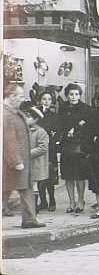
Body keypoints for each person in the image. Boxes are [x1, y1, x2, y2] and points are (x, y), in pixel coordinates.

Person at [2, 84, 46, 228]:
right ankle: (29, 219)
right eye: (20, 96)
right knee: (6, 190)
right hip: (13, 161)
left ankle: (29, 220)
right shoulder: (6, 114)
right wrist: (15, 161)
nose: (23, 99)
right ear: (12, 97)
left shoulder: (14, 111)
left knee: (25, 189)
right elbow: (8, 140)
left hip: (21, 160)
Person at [57, 83, 92, 214]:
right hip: (66, 145)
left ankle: (81, 200)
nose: (73, 97)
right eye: (71, 94)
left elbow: (88, 126)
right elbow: (59, 124)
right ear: (67, 95)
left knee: (79, 175)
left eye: (76, 94)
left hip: (80, 145)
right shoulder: (62, 108)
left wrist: (77, 129)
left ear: (80, 95)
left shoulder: (86, 109)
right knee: (68, 176)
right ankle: (71, 201)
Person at [22, 105, 50, 215]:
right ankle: (29, 206)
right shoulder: (24, 130)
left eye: (28, 117)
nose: (25, 118)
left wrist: (27, 153)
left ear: (36, 119)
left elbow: (43, 148)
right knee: (28, 185)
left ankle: (34, 208)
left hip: (36, 163)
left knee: (33, 185)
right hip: (26, 163)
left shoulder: (41, 132)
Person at [36, 91, 60, 212]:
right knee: (39, 176)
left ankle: (52, 200)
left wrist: (53, 139)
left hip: (50, 149)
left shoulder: (54, 115)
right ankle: (43, 200)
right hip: (38, 148)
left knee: (50, 175)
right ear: (40, 100)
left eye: (49, 99)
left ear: (52, 101)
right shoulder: (35, 113)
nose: (46, 101)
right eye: (44, 99)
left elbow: (57, 131)